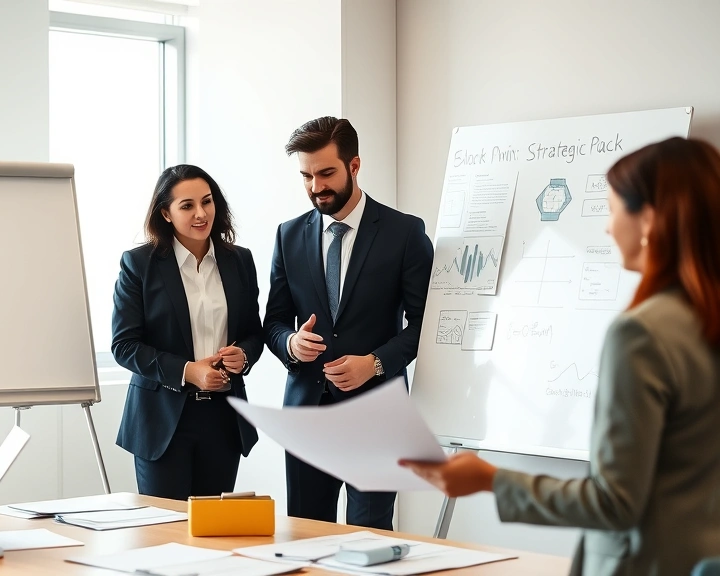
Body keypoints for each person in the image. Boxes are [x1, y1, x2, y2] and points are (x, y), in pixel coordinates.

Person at [401, 137, 720, 576]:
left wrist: (491, 479)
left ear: (648, 219)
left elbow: (616, 503)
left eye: (612, 211)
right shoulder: (703, 320)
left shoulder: (642, 334)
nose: (608, 229)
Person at [264, 116, 434, 530]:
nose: (315, 187)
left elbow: (426, 326)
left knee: (369, 540)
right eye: (306, 176)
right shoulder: (288, 235)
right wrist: (290, 343)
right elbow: (273, 320)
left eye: (326, 173)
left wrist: (374, 363)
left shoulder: (405, 233)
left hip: (377, 413)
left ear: (354, 166)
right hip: (307, 412)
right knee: (307, 536)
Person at [112, 164, 264, 499]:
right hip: (163, 421)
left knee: (213, 533)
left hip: (224, 418)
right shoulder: (139, 264)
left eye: (207, 202)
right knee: (166, 533)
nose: (201, 213)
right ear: (165, 213)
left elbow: (254, 333)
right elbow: (124, 345)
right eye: (187, 206)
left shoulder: (239, 260)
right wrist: (187, 371)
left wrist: (244, 356)